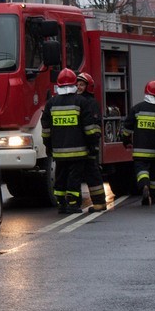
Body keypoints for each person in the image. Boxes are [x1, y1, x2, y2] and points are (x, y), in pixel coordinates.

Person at [41, 68, 101, 214]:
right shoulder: (81, 102)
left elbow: (46, 130)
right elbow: (89, 128)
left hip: (59, 152)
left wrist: (48, 147)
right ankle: (73, 204)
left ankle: (61, 204)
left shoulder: (51, 103)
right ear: (74, 84)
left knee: (60, 177)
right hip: (79, 152)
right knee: (74, 178)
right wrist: (92, 144)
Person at [121, 80, 155, 206]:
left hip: (140, 151)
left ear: (146, 91)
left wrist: (126, 141)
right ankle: (154, 196)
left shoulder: (137, 109)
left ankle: (144, 186)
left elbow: (127, 128)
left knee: (141, 171)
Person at [76, 72, 107, 212]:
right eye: (77, 84)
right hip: (79, 144)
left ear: (88, 87)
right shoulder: (76, 101)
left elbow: (95, 126)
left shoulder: (91, 103)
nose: (78, 87)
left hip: (89, 145)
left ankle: (100, 203)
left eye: (81, 84)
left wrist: (94, 145)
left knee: (92, 174)